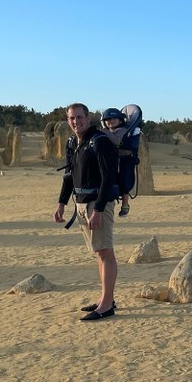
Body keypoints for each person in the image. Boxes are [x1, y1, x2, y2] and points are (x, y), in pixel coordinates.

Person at [53, 102, 120, 321]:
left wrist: (98, 209)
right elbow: (69, 175)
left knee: (105, 251)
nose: (76, 122)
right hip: (81, 203)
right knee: (99, 252)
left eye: (79, 117)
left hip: (98, 203)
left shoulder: (99, 141)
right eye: (71, 118)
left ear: (88, 118)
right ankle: (104, 299)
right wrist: (62, 203)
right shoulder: (72, 142)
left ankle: (107, 305)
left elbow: (108, 177)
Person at [101, 107, 134, 217]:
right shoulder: (108, 132)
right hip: (114, 159)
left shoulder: (122, 130)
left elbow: (117, 141)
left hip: (125, 159)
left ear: (120, 120)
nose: (110, 121)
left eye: (114, 119)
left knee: (124, 182)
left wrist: (105, 131)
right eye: (108, 119)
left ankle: (125, 204)